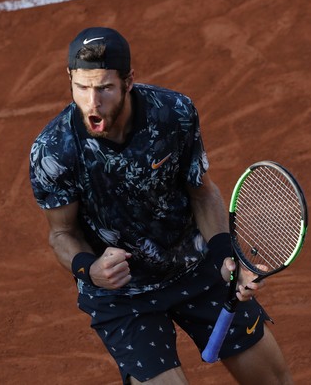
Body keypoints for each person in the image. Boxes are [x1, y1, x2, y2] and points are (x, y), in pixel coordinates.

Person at [29, 27, 292, 384]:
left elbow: (203, 193)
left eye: (105, 88)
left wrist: (225, 259)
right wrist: (89, 270)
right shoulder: (54, 150)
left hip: (195, 265)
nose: (93, 102)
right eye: (82, 87)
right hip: (123, 295)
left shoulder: (174, 114)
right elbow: (61, 232)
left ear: (128, 81)